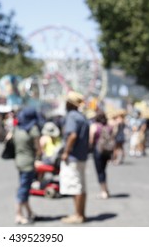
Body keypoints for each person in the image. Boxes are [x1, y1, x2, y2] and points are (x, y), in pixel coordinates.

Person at [60, 91, 89, 224]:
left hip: (73, 156)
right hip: (82, 156)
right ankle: (81, 213)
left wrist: (66, 151)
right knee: (81, 186)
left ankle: (77, 215)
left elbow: (72, 136)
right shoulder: (82, 117)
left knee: (75, 186)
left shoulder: (71, 116)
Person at [12, 106, 43, 225]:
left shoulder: (17, 128)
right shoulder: (33, 129)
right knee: (24, 189)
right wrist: (39, 158)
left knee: (24, 186)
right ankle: (18, 215)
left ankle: (30, 213)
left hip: (19, 161)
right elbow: (39, 149)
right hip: (29, 163)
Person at [89, 111, 115, 199]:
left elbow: (91, 140)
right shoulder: (108, 126)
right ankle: (106, 189)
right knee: (103, 170)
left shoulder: (94, 126)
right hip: (107, 151)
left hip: (98, 151)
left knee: (100, 171)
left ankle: (103, 191)